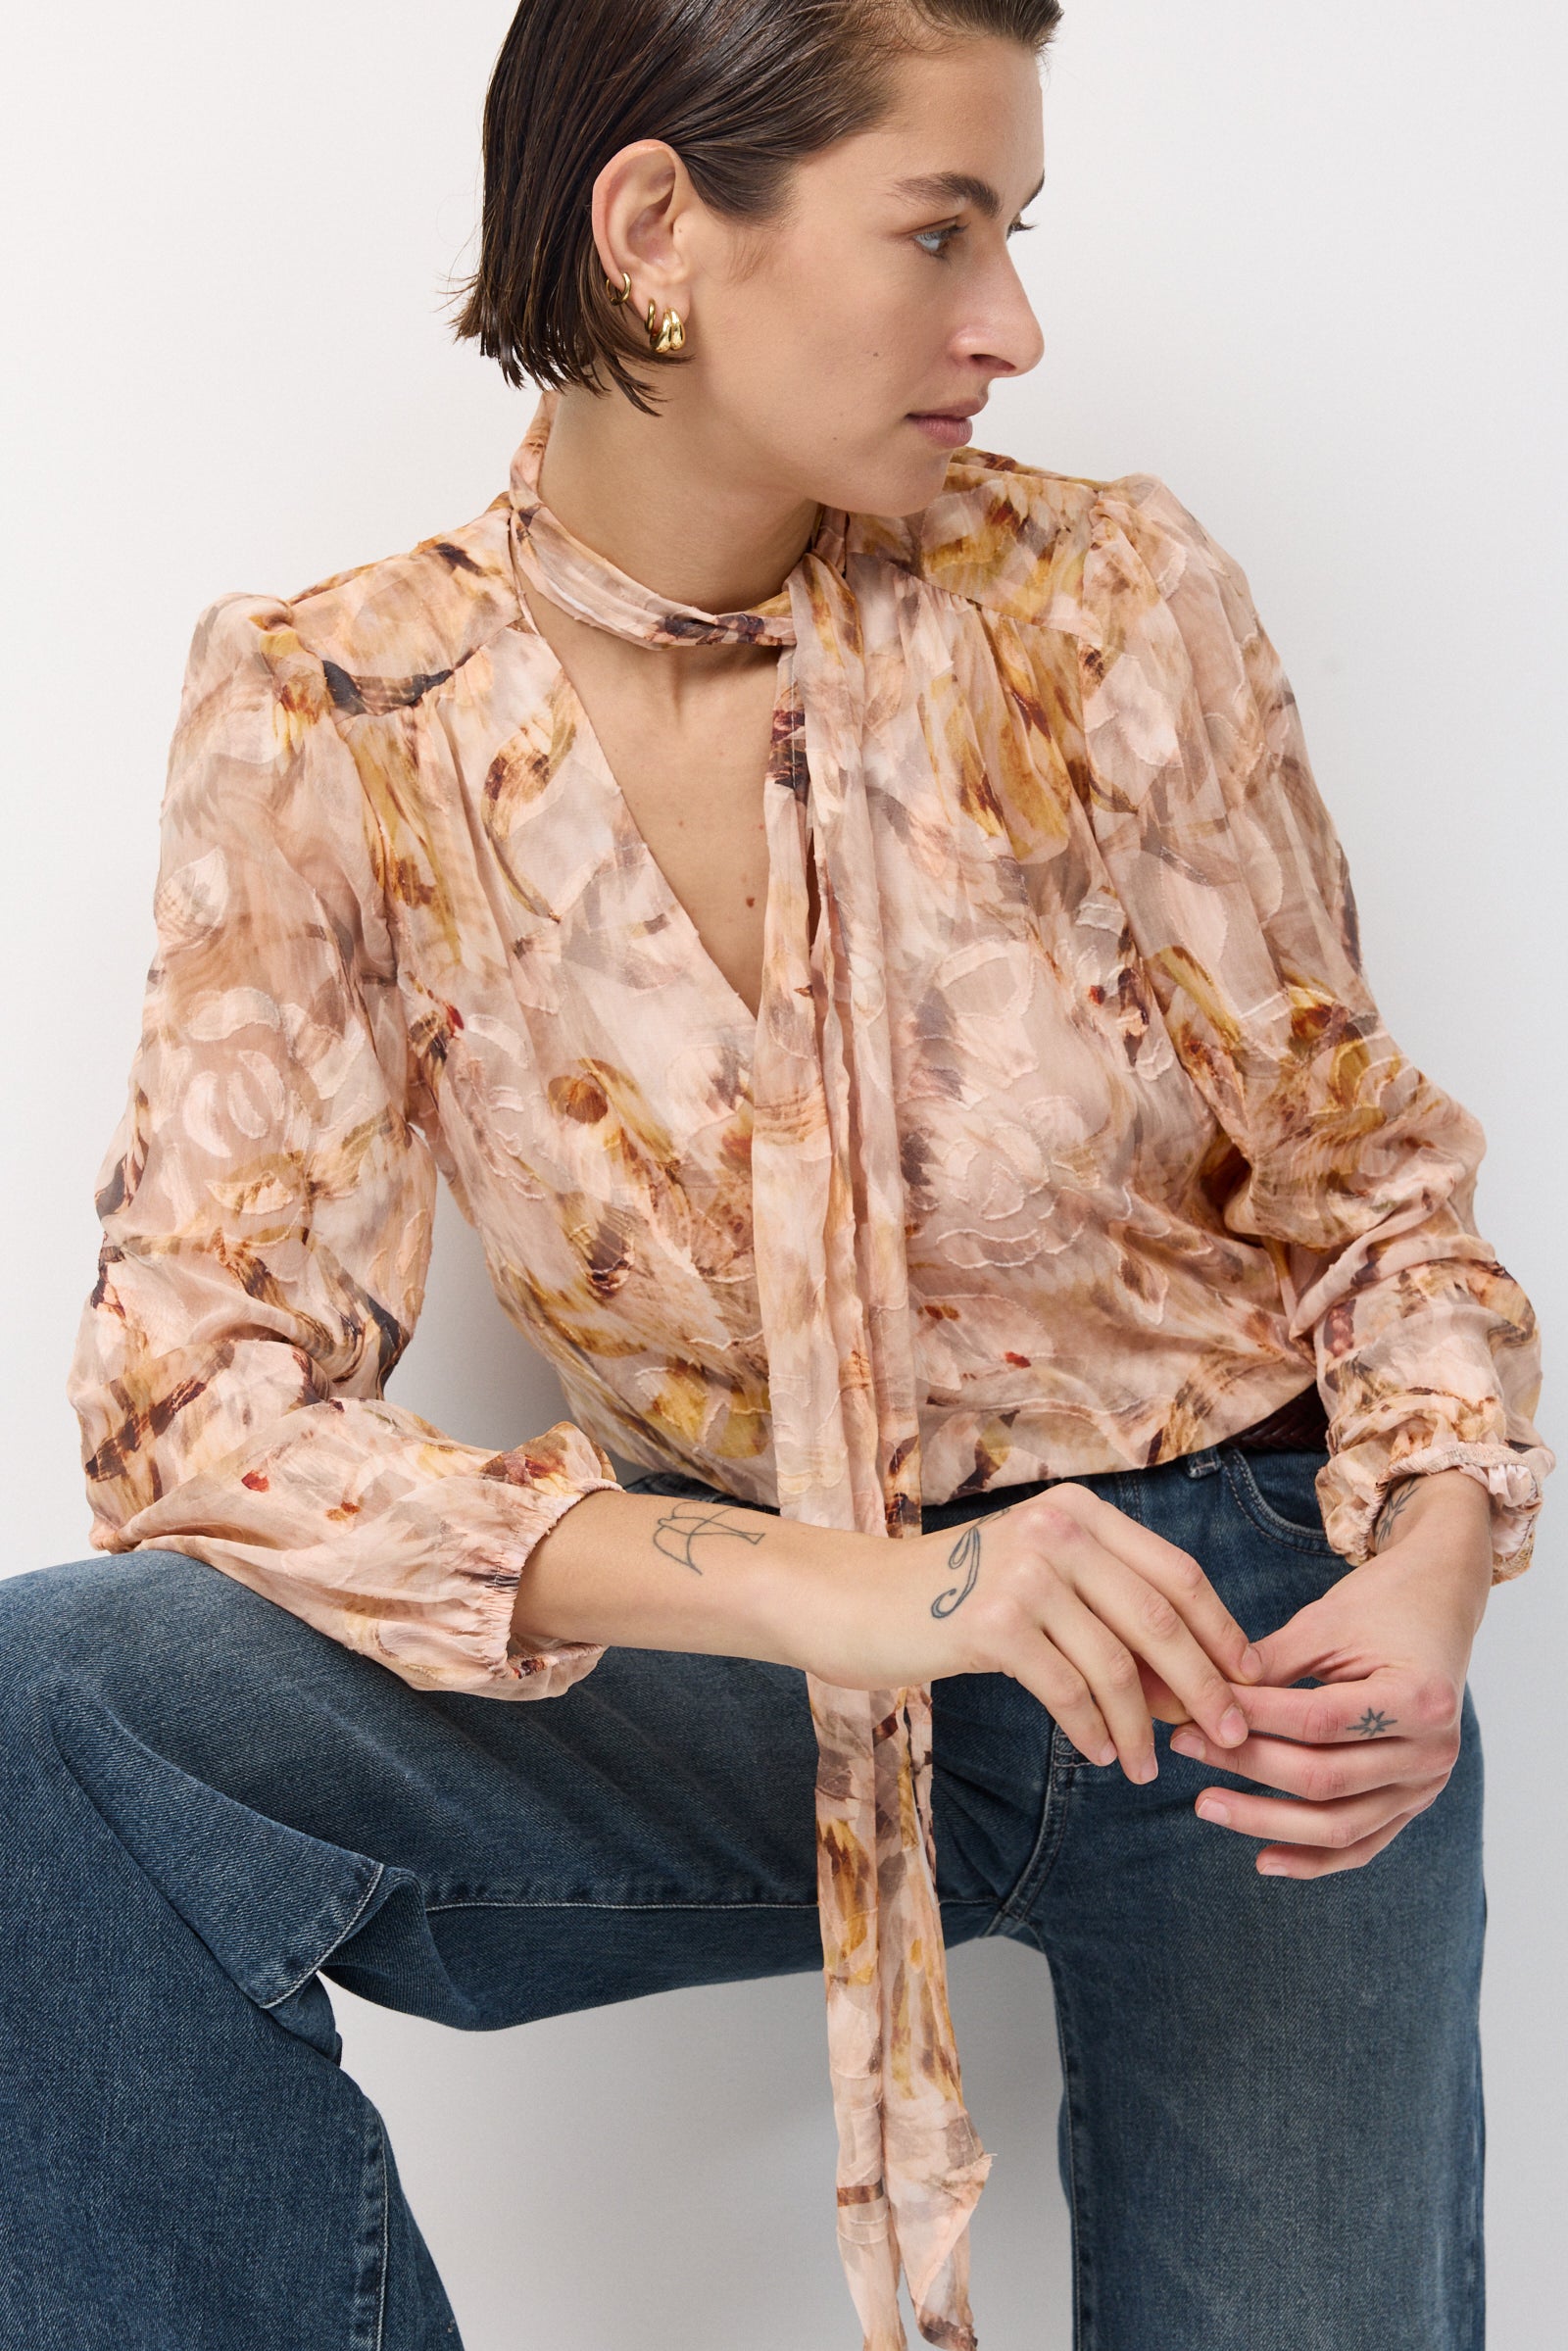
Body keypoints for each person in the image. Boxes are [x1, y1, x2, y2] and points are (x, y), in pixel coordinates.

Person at [1, 2, 1549, 2346]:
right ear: (653, 227)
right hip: (750, 1644)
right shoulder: (339, 715)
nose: (1006, 324)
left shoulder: (1103, 604)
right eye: (936, 233)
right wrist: (861, 1596)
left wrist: (1421, 1586)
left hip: (1229, 1660)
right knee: (61, 1717)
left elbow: (1374, 1198)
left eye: (1013, 234)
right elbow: (194, 1412)